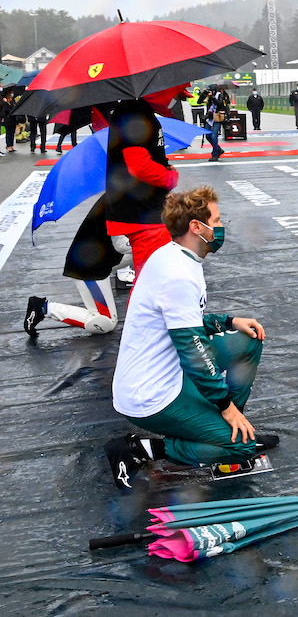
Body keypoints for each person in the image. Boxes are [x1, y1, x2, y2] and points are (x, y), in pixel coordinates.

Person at [104, 186, 276, 492]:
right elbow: (194, 352)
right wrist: (227, 406)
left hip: (168, 370)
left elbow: (186, 323)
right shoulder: (178, 275)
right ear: (197, 227)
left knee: (247, 341)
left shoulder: (177, 256)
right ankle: (144, 449)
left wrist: (229, 321)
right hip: (150, 395)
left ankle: (227, 431)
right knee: (241, 450)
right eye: (218, 220)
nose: (222, 228)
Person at [25, 195, 130, 338]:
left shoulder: (128, 193)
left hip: (102, 259)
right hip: (89, 267)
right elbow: (121, 245)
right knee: (106, 322)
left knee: (151, 250)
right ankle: (44, 308)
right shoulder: (122, 201)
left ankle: (126, 275)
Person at [106, 98, 180, 279]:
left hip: (144, 211)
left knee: (152, 281)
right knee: (153, 283)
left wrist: (164, 166)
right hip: (142, 213)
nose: (174, 99)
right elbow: (138, 165)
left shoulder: (137, 110)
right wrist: (168, 178)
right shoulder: (134, 112)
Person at [205, 85, 231, 161]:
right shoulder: (208, 96)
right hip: (209, 117)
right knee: (208, 136)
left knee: (213, 136)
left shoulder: (219, 95)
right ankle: (218, 149)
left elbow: (220, 104)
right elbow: (199, 101)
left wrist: (212, 97)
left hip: (217, 117)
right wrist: (204, 94)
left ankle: (215, 154)